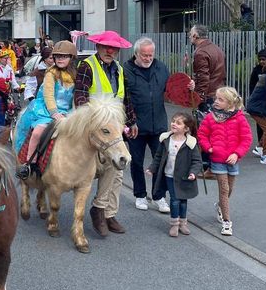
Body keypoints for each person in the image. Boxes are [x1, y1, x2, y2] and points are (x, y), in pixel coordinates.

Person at [73, 30, 137, 237]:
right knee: (107, 167)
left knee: (119, 169)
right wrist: (91, 121)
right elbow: (80, 96)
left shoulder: (119, 69)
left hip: (115, 127)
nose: (110, 51)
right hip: (95, 127)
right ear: (98, 47)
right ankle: (99, 209)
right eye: (106, 47)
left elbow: (125, 98)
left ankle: (108, 213)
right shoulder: (87, 66)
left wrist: (132, 121)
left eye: (114, 48)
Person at [15, 40, 77, 178]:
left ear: (71, 58)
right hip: (47, 110)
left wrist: (74, 113)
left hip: (67, 111)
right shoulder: (51, 74)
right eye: (57, 56)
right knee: (38, 132)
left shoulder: (75, 75)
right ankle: (30, 164)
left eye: (64, 56)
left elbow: (75, 97)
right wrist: (54, 113)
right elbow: (48, 95)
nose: (60, 59)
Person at [123, 37, 171, 213]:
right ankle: (140, 195)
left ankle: (159, 196)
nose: (148, 58)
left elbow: (170, 92)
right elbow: (122, 97)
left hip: (158, 124)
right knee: (136, 161)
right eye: (144, 55)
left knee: (161, 161)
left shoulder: (161, 68)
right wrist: (129, 121)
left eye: (151, 55)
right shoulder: (125, 70)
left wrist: (188, 86)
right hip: (135, 125)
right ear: (136, 53)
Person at [197, 86, 253, 237]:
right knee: (224, 188)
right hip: (217, 159)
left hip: (232, 160)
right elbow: (202, 134)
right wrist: (208, 148)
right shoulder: (210, 117)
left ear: (230, 103)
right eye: (216, 98)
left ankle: (220, 205)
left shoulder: (240, 118)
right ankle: (227, 222)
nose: (216, 101)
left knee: (230, 189)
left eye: (220, 99)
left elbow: (246, 139)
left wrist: (237, 154)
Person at [148, 113, 202, 237]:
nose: (174, 124)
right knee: (175, 199)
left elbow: (197, 161)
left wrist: (193, 173)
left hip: (184, 177)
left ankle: (183, 223)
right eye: (173, 121)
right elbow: (158, 156)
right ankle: (174, 224)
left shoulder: (190, 143)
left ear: (186, 128)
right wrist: (152, 168)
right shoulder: (166, 140)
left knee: (183, 200)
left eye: (178, 123)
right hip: (169, 175)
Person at [187, 25, 226, 114]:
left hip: (208, 97)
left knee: (205, 121)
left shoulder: (200, 52)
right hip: (219, 93)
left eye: (190, 34)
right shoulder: (217, 49)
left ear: (195, 35)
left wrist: (200, 98)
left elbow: (203, 77)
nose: (189, 36)